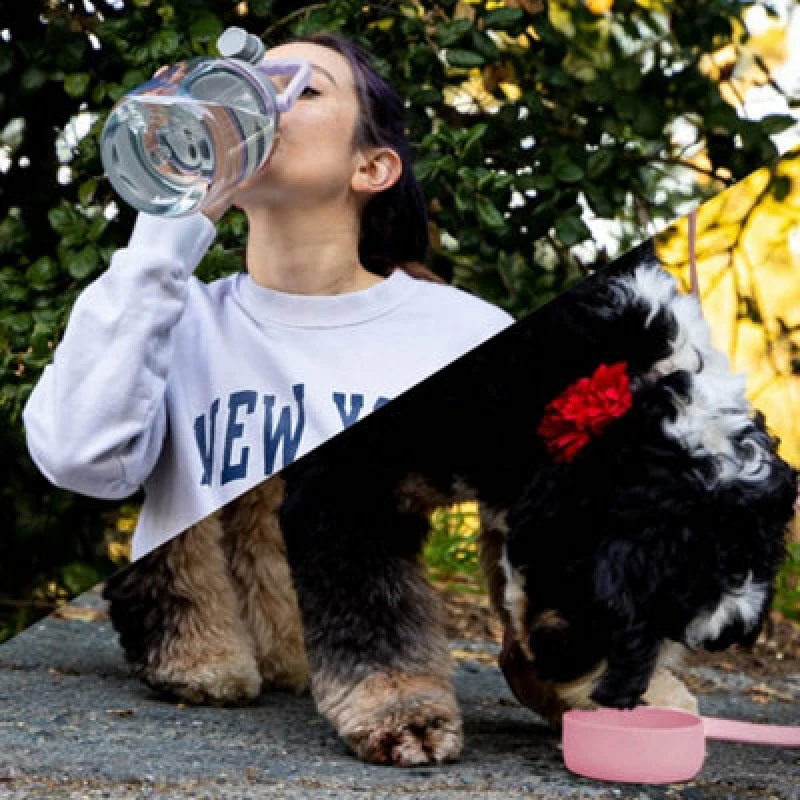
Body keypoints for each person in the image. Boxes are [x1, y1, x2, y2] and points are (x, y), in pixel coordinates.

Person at [22, 32, 515, 563]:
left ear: (371, 168)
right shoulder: (169, 318)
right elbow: (78, 459)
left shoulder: (460, 334)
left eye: (302, 92)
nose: (257, 106)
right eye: (244, 86)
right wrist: (168, 227)